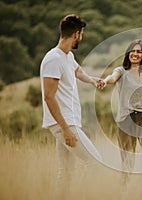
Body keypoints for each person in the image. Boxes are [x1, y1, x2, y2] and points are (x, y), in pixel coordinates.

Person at [40, 14, 102, 199]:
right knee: (95, 162)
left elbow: (77, 70)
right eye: (81, 34)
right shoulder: (53, 58)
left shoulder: (68, 56)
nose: (81, 38)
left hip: (68, 121)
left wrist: (92, 80)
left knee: (66, 171)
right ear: (76, 34)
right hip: (64, 123)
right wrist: (66, 129)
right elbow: (49, 97)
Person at [99, 39, 142, 193]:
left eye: (139, 52)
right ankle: (123, 192)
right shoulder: (121, 71)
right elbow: (112, 77)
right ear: (128, 53)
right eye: (133, 51)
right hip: (126, 120)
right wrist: (105, 81)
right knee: (128, 161)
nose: (135, 54)